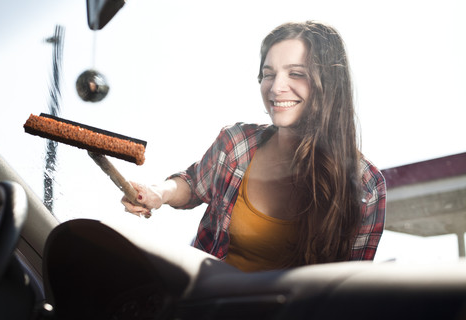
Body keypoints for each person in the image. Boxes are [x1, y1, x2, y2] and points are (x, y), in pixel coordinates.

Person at [122, 20, 386, 272]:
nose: (276, 87)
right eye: (268, 74)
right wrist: (158, 192)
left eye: (296, 74)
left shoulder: (367, 186)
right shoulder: (237, 143)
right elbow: (193, 184)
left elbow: (348, 285)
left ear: (328, 85)